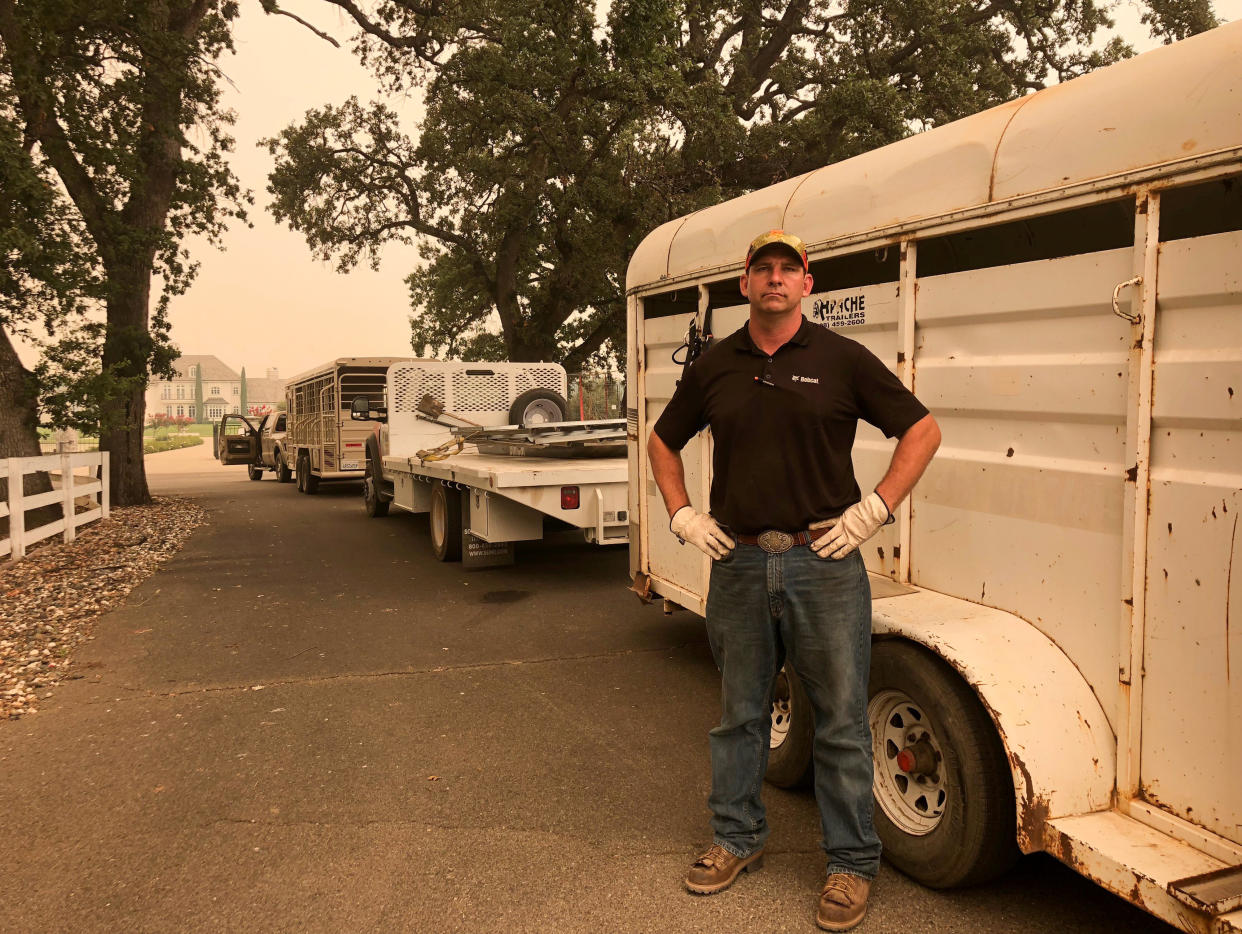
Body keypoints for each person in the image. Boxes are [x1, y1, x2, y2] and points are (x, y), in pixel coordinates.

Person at [647, 229, 941, 932]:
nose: (775, 279)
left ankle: (850, 865)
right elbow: (663, 440)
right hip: (740, 563)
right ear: (745, 284)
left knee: (841, 722)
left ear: (807, 284)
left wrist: (875, 508)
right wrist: (683, 515)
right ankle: (736, 839)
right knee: (740, 715)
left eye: (789, 269)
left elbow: (922, 429)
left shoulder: (842, 359)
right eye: (762, 269)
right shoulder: (715, 367)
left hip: (826, 562)